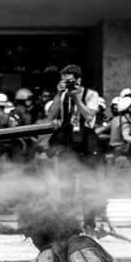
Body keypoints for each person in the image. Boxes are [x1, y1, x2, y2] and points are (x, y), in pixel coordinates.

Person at [45, 64, 103, 233]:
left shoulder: (91, 94)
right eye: (64, 81)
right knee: (66, 188)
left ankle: (89, 224)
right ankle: (67, 225)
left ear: (78, 80)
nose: (67, 85)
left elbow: (90, 115)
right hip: (67, 145)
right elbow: (50, 116)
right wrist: (58, 94)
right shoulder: (62, 95)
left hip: (86, 144)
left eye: (70, 81)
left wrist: (77, 98)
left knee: (88, 187)